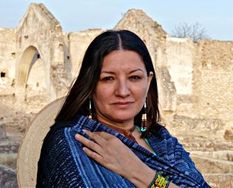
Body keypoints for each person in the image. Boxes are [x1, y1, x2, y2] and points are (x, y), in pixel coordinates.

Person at [36, 30, 210, 188]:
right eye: (108, 79)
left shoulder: (162, 141)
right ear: (90, 85)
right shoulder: (72, 142)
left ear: (148, 82)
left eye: (134, 77)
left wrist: (140, 173)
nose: (123, 91)